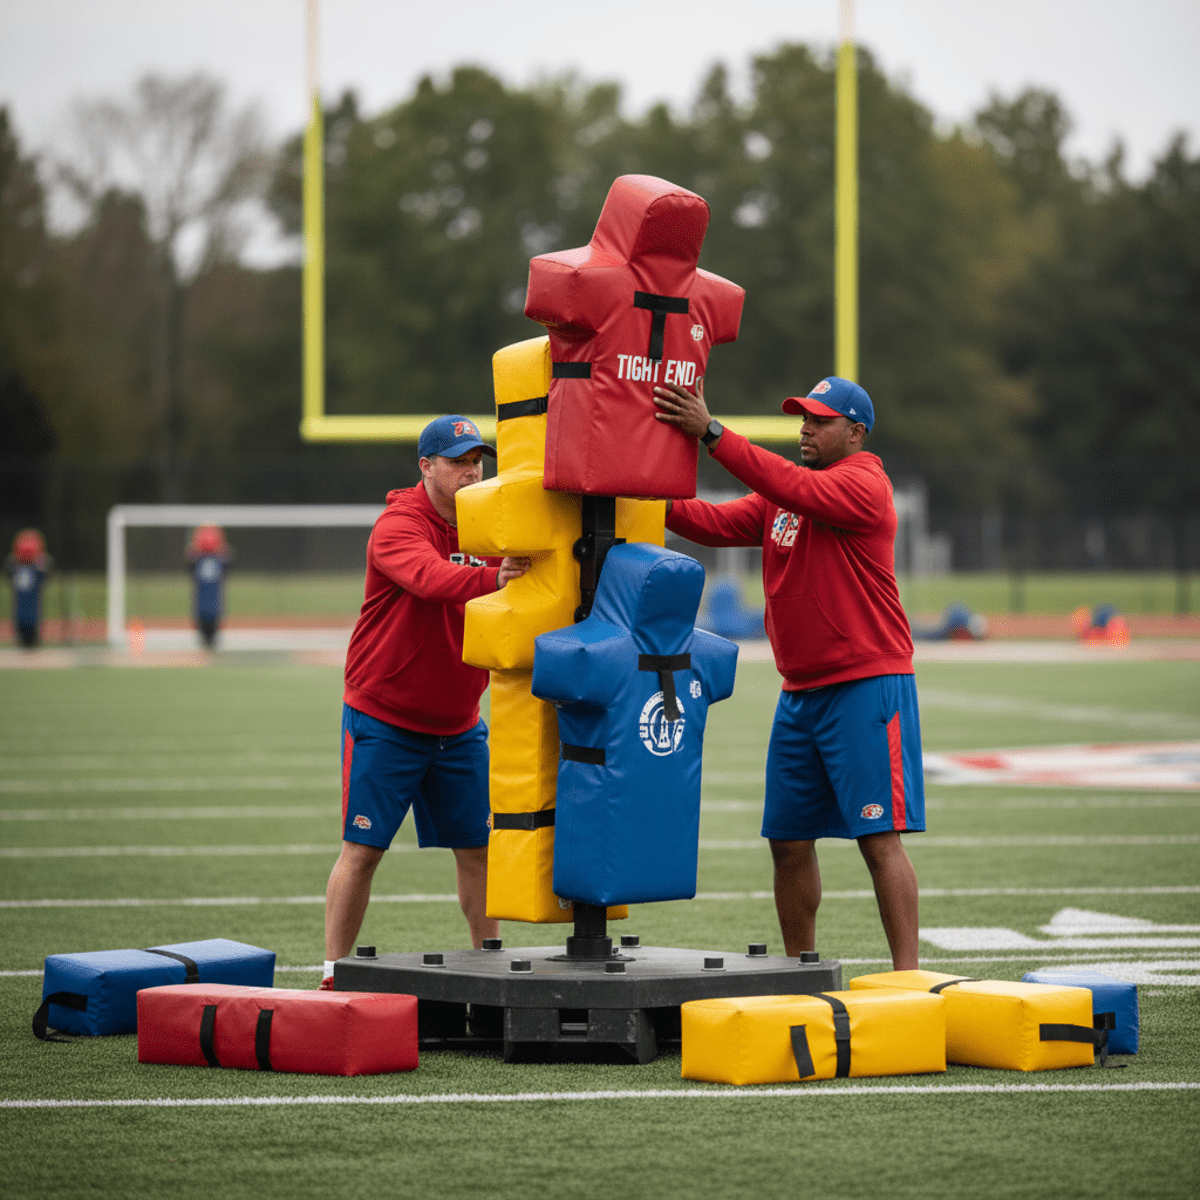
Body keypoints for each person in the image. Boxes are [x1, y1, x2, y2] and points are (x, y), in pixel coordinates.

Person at [653, 375, 923, 970]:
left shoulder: (864, 483)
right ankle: (802, 967)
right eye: (803, 417)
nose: (805, 427)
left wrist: (714, 433)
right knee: (788, 841)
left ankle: (908, 975)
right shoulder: (788, 495)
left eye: (819, 420)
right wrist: (633, 494)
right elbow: (712, 523)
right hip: (801, 692)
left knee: (878, 839)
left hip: (864, 683)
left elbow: (790, 485)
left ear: (855, 433)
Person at [321, 415, 530, 988]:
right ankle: (333, 972)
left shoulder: (487, 522)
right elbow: (432, 578)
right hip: (386, 716)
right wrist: (496, 579)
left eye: (476, 461)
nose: (470, 471)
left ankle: (489, 966)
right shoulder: (397, 523)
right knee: (363, 850)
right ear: (426, 467)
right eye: (458, 461)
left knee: (478, 851)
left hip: (459, 723)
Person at [5, 529, 53, 649]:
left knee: (24, 645)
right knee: (31, 646)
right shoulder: (38, 569)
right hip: (32, 615)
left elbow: (9, 567)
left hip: (21, 614)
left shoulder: (15, 567)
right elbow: (48, 567)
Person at [186, 526, 231, 649]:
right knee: (211, 644)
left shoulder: (197, 561)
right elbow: (228, 556)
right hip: (214, 609)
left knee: (205, 644)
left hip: (202, 609)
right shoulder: (219, 561)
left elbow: (189, 557)